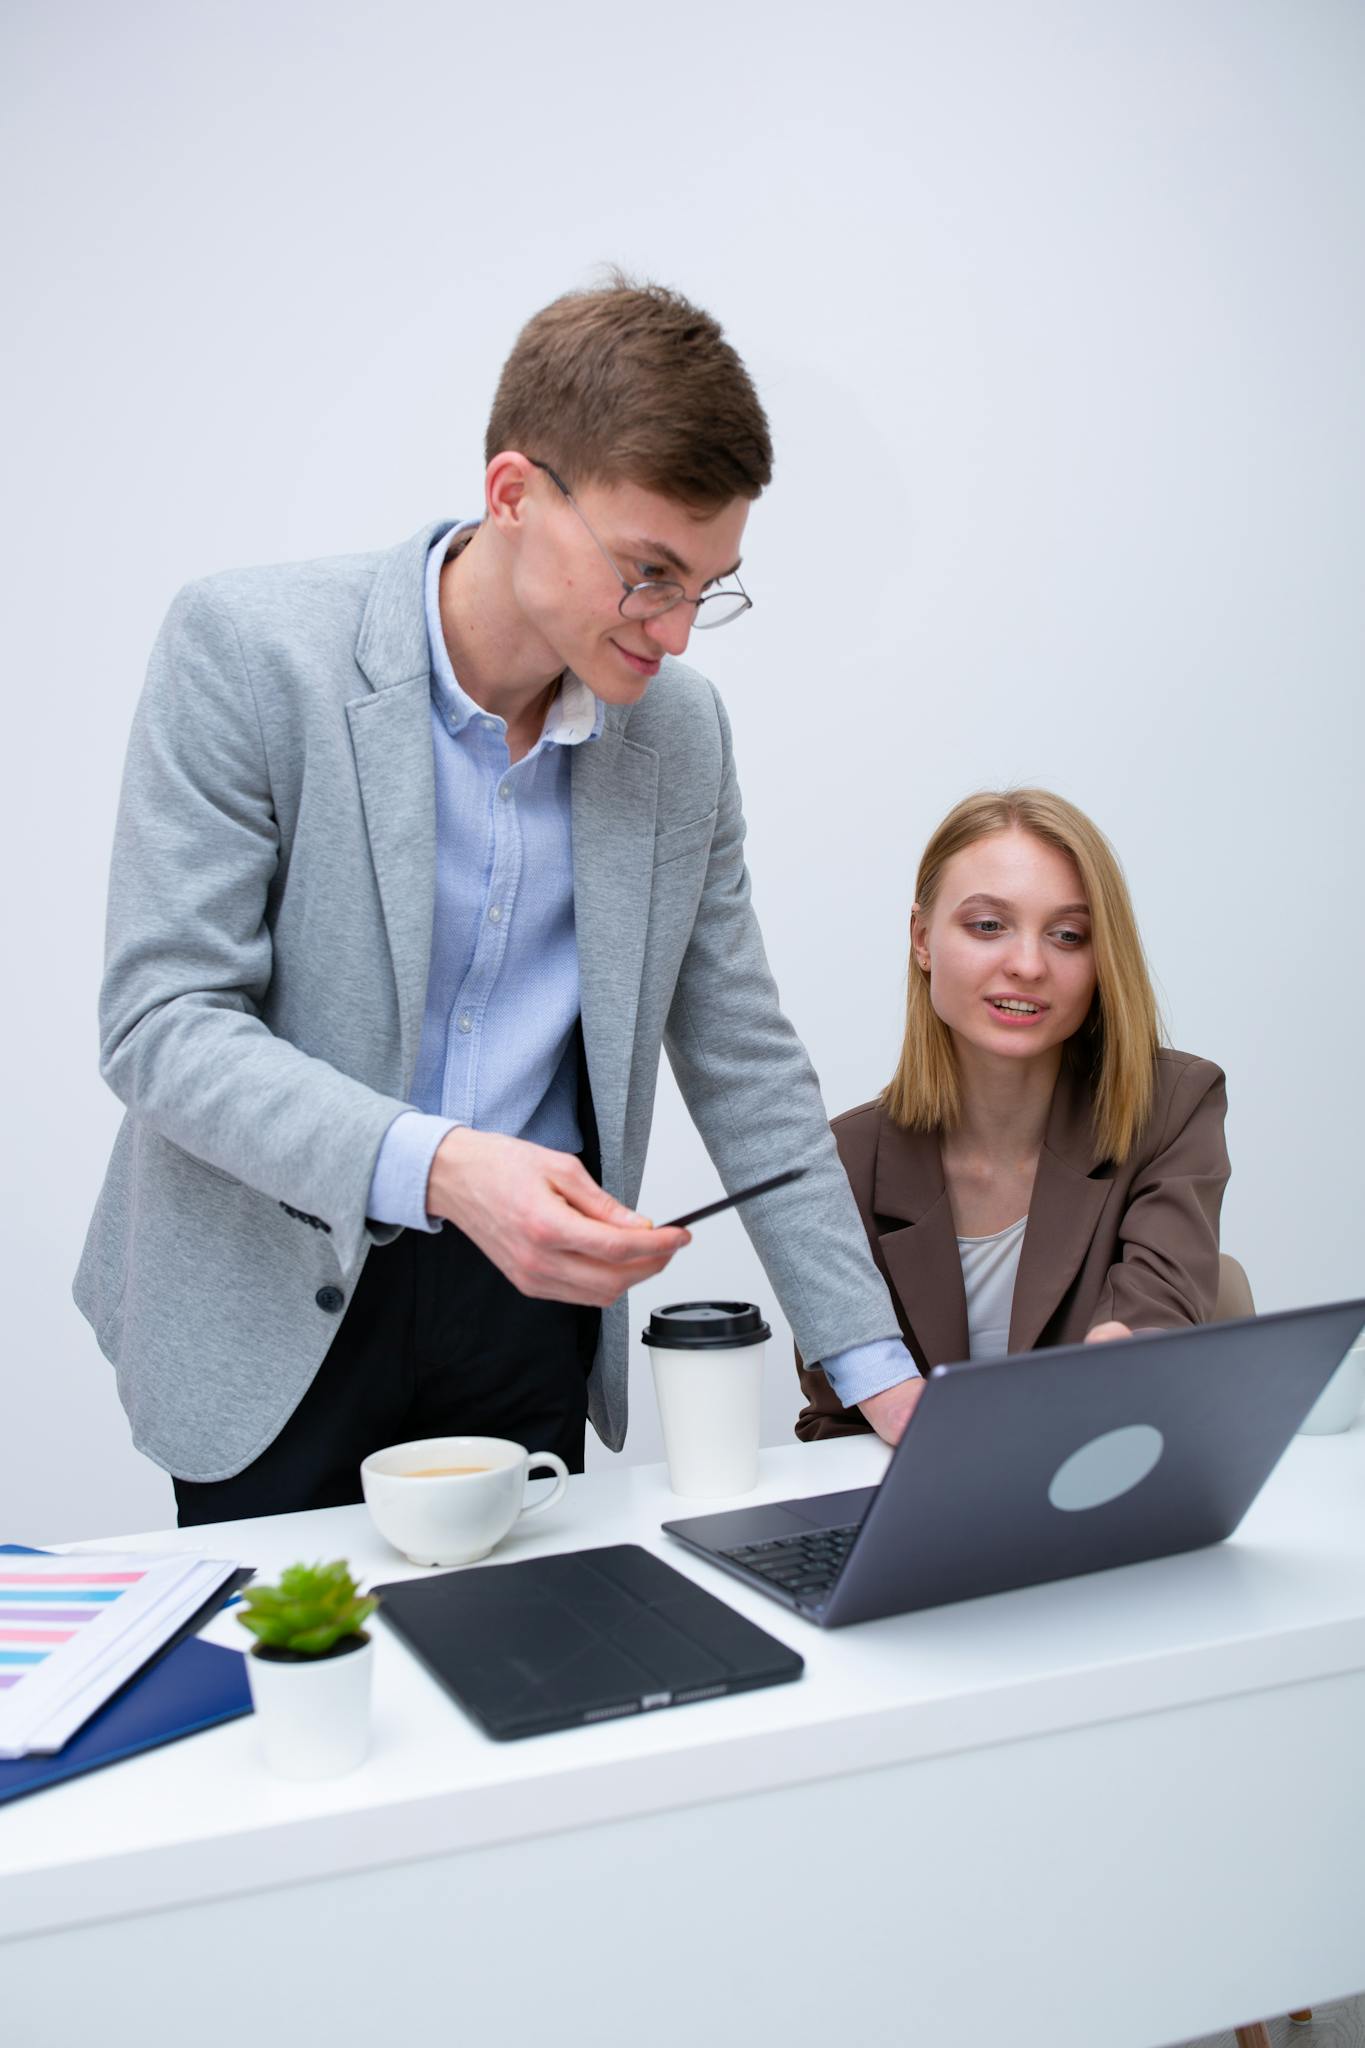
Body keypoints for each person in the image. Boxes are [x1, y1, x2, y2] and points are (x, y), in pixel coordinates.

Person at [75, 277, 914, 1523]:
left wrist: (881, 1372)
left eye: (708, 585)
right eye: (649, 574)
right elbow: (164, 1022)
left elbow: (746, 1062)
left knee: (532, 1693)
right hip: (272, 1293)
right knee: (306, 1704)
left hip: (526, 1318)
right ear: (513, 494)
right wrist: (447, 1167)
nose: (678, 633)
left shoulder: (681, 739)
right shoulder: (248, 651)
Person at [796, 788, 1229, 1441]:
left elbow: (1156, 1312)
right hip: (920, 1517)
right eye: (987, 926)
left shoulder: (1169, 1107)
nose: (1027, 965)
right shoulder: (842, 1161)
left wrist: (1127, 1349)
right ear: (921, 939)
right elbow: (836, 1415)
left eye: (1067, 935)